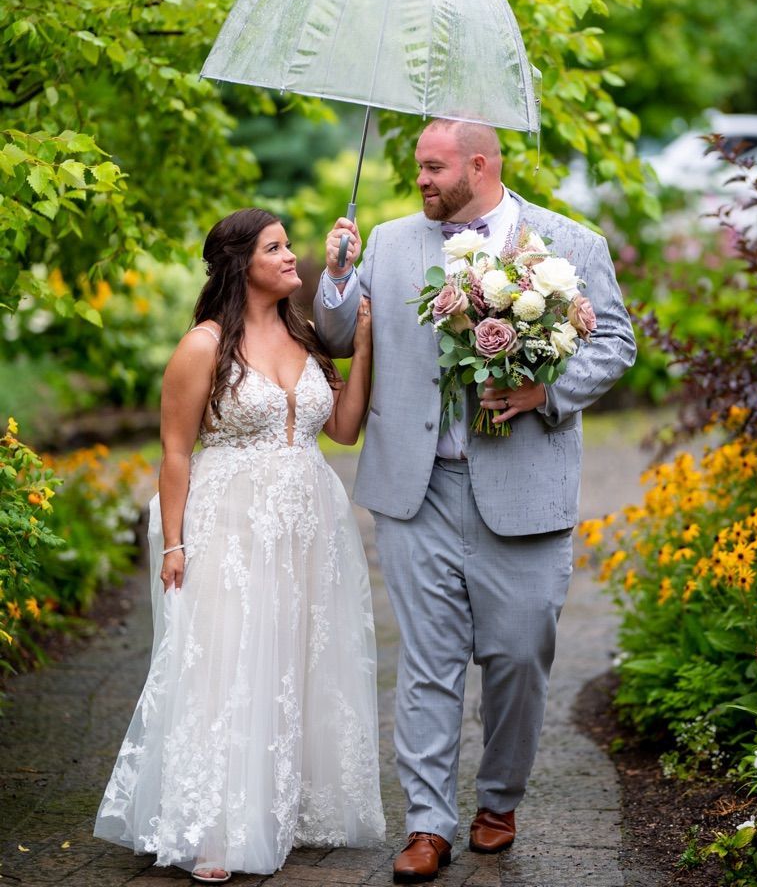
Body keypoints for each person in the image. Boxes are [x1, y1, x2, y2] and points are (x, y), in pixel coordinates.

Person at [314, 119, 636, 884]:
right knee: (427, 662)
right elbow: (337, 336)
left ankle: (499, 800)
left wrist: (546, 393)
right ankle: (427, 823)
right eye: (418, 167)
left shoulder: (568, 243)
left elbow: (615, 344)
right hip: (416, 487)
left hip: (523, 488)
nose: (421, 179)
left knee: (517, 656)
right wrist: (336, 277)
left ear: (479, 165)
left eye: (433, 167)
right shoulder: (388, 242)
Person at [94, 208, 385, 882]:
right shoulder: (203, 345)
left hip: (309, 522)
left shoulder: (305, 335)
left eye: (288, 245)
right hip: (227, 521)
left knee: (294, 660)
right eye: (274, 247)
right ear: (240, 264)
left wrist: (364, 345)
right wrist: (174, 545)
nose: (289, 256)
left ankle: (281, 807)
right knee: (225, 662)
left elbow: (343, 429)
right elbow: (175, 451)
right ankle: (212, 829)